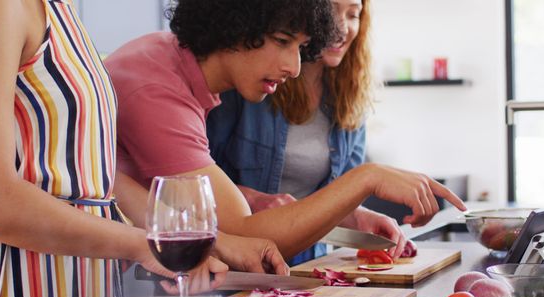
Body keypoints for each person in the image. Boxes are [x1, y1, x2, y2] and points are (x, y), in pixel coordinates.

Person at [0, 1, 287, 297]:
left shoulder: (62, 12)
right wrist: (143, 246)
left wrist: (214, 241)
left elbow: (97, 175)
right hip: (24, 282)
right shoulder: (2, 7)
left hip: (86, 280)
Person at [106, 0, 467, 265]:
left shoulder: (174, 66)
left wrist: (347, 214)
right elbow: (246, 233)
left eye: (299, 47)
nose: (295, 67)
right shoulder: (157, 87)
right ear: (235, 24)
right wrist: (366, 178)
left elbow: (178, 197)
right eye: (282, 41)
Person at [207, 0, 412, 265]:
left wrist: (356, 215)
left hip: (308, 266)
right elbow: (189, 182)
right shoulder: (247, 83)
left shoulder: (351, 96)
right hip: (233, 265)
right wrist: (252, 200)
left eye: (353, 15)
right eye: (329, 12)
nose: (342, 28)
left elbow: (336, 196)